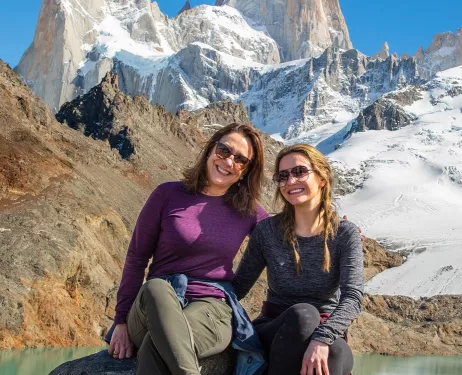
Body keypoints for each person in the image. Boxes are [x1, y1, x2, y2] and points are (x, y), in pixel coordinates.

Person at [107, 123, 269, 375]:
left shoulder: (249, 211)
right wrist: (120, 321)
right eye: (224, 150)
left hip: (211, 308)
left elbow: (284, 241)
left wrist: (330, 231)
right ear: (210, 148)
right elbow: (137, 257)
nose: (228, 161)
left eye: (240, 159)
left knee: (156, 344)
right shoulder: (167, 194)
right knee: (156, 288)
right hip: (153, 306)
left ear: (246, 171)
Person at [233, 144, 364, 375]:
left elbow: (353, 297)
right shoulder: (267, 232)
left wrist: (322, 338)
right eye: (283, 176)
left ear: (322, 178)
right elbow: (238, 288)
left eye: (300, 172)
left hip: (326, 327)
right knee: (304, 313)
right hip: (275, 328)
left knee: (333, 353)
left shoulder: (344, 233)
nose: (290, 181)